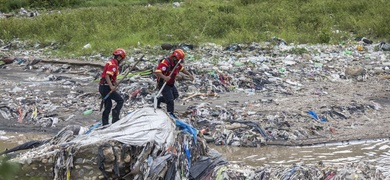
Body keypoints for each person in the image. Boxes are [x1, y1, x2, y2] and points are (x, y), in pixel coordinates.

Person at [154, 49, 194, 117]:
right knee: (170, 100)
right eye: (178, 60)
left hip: (171, 83)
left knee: (175, 95)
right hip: (163, 83)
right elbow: (157, 72)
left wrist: (189, 74)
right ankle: (170, 114)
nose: (179, 62)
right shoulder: (166, 62)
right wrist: (164, 77)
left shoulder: (177, 64)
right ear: (174, 57)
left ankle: (159, 100)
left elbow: (182, 69)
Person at [99, 48, 126, 126]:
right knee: (120, 101)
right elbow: (107, 76)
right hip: (106, 87)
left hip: (103, 86)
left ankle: (105, 123)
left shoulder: (111, 62)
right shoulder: (113, 65)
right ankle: (115, 117)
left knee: (108, 105)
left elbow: (110, 76)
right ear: (119, 57)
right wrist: (111, 86)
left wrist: (114, 82)